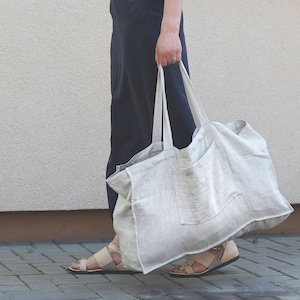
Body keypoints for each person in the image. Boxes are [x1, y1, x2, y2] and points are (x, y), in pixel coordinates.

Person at [68, 0, 239, 277]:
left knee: (177, 128)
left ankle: (218, 240)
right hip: (129, 23)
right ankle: (125, 242)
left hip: (152, 22)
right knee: (130, 131)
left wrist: (170, 28)